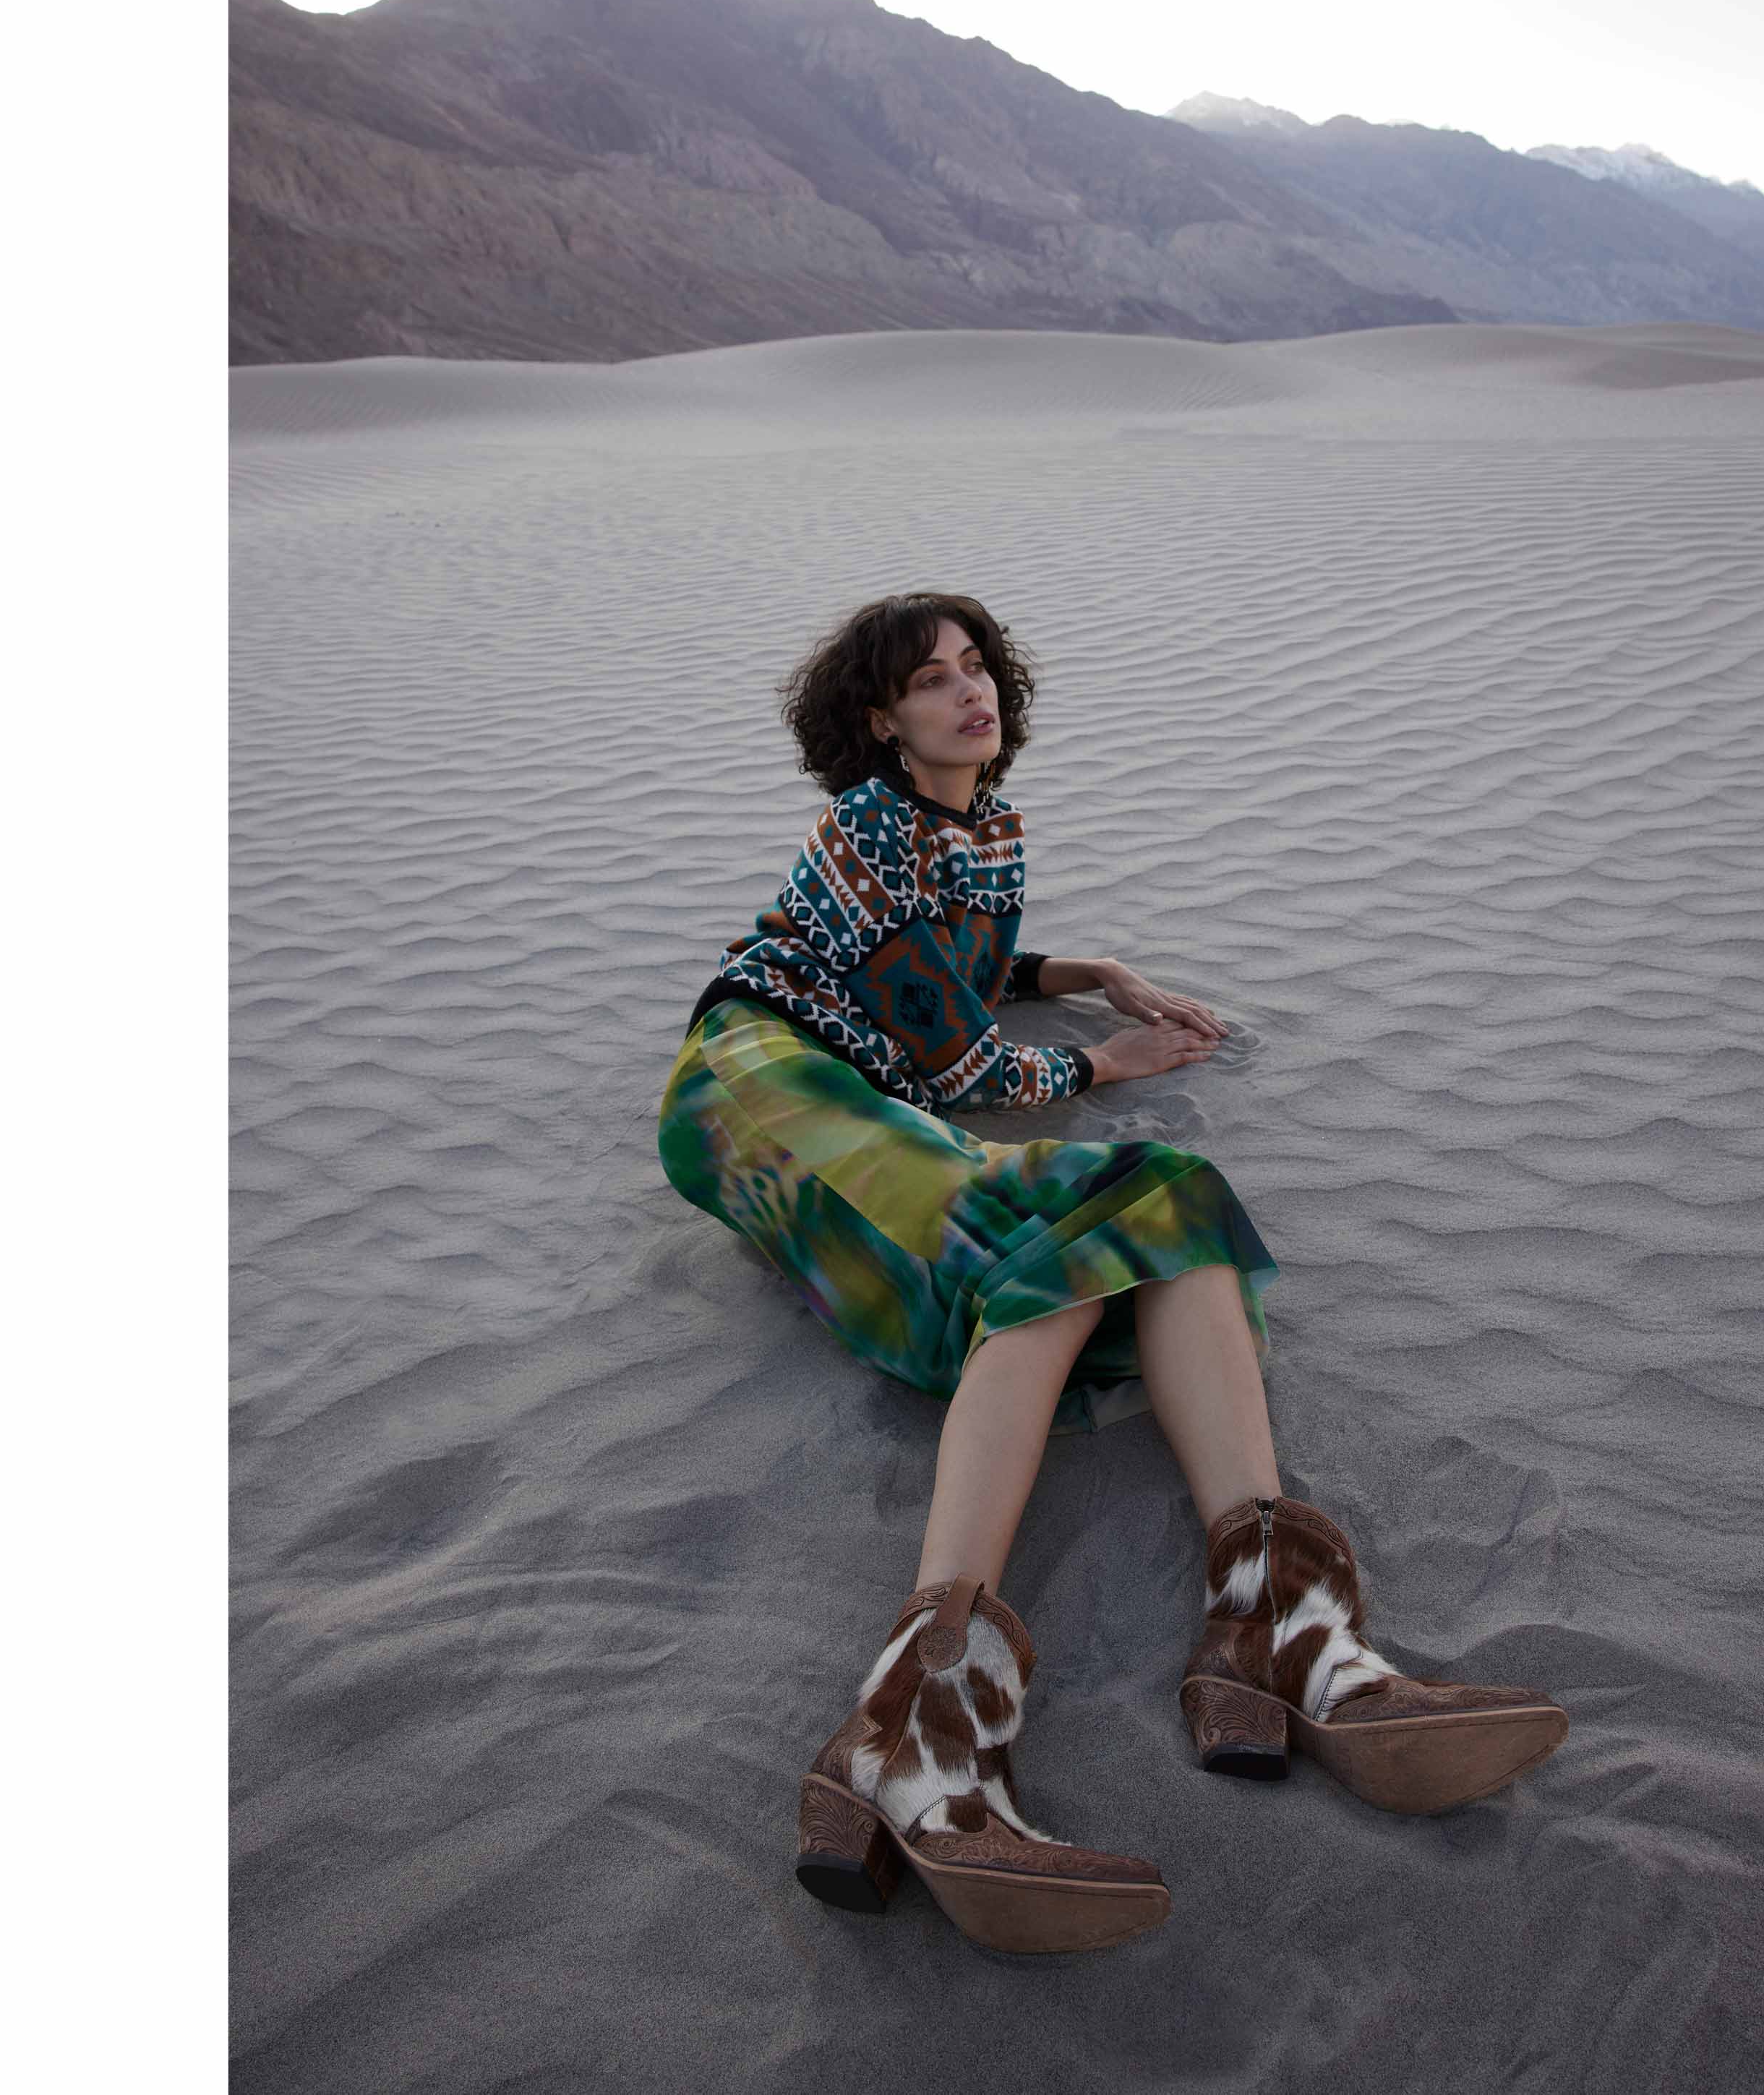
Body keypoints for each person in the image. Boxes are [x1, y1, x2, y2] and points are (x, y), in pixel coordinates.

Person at [658, 591, 1567, 1954]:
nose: (971, 693)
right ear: (880, 718)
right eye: (931, 679)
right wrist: (1101, 1061)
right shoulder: (869, 826)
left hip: (847, 1087)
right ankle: (913, 1724)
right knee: (1063, 1225)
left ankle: (1279, 1627)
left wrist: (1098, 969)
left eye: (977, 666)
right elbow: (955, 1059)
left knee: (1162, 1196)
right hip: (761, 1089)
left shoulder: (978, 827)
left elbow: (958, 970)